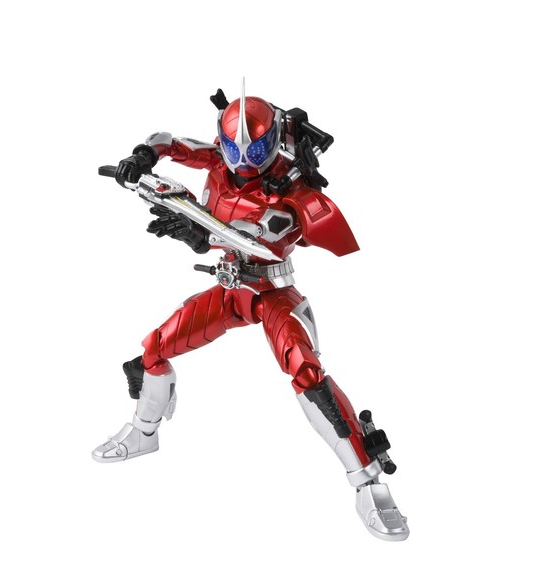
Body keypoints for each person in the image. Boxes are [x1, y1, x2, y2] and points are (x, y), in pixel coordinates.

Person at [92, 84, 409, 541]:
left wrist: (201, 235)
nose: (244, 159)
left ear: (275, 140)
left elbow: (262, 238)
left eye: (256, 149)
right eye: (235, 147)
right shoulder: (219, 160)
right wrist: (142, 157)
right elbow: (170, 141)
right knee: (154, 349)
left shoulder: (294, 190)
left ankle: (369, 485)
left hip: (273, 291)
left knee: (308, 375)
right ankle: (144, 432)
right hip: (230, 291)